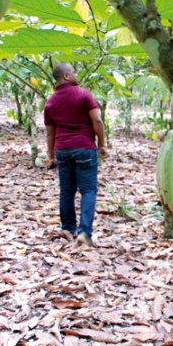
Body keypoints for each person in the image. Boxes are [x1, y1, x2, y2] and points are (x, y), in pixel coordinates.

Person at [44, 63, 108, 248]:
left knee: (67, 190)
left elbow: (50, 133)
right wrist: (102, 144)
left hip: (62, 150)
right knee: (88, 190)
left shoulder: (50, 102)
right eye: (73, 72)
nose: (76, 74)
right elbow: (97, 120)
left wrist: (51, 157)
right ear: (65, 76)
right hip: (84, 148)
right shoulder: (83, 94)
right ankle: (85, 232)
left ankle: (68, 228)